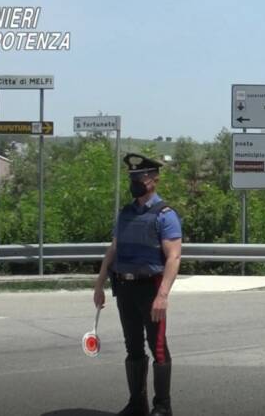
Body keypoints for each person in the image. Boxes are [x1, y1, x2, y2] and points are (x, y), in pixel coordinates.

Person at [94, 153, 183, 416]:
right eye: (132, 176)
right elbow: (114, 249)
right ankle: (137, 404)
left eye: (140, 176)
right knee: (132, 346)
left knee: (157, 346)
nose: (135, 181)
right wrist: (99, 285)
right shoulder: (126, 213)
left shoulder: (165, 215)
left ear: (154, 180)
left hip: (151, 288)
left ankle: (162, 406)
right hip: (125, 287)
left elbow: (174, 257)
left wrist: (163, 295)